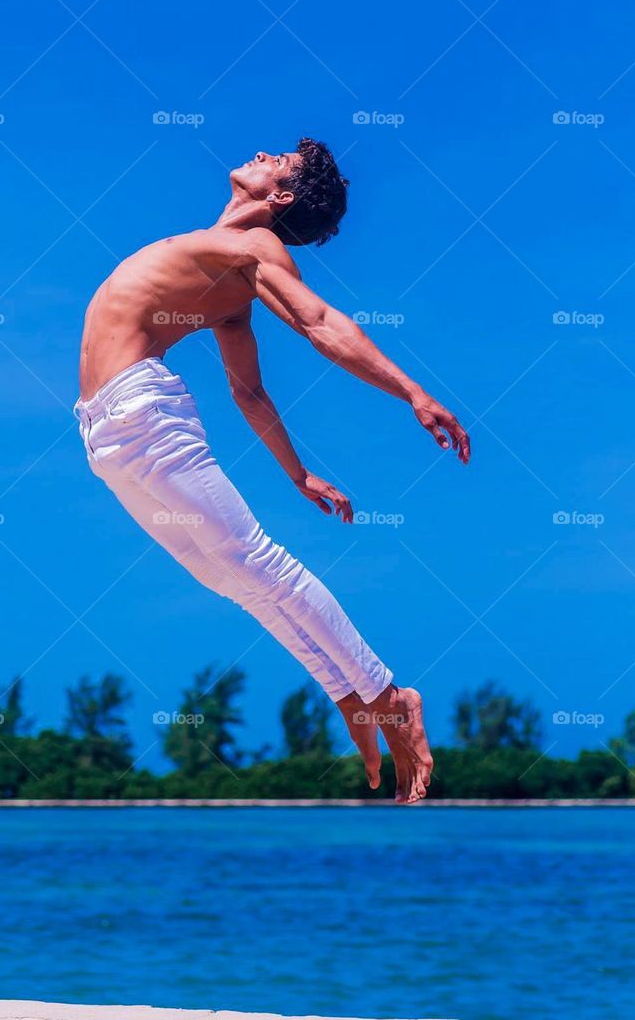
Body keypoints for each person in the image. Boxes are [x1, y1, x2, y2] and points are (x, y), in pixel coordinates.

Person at [74, 139, 471, 803]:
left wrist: (412, 392)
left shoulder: (256, 248)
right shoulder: (225, 273)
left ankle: (388, 695)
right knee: (235, 580)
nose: (263, 152)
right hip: (104, 434)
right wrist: (297, 474)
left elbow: (318, 322)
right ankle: (350, 693)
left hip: (143, 414)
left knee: (258, 565)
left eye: (280, 160)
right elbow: (249, 392)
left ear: (280, 196)